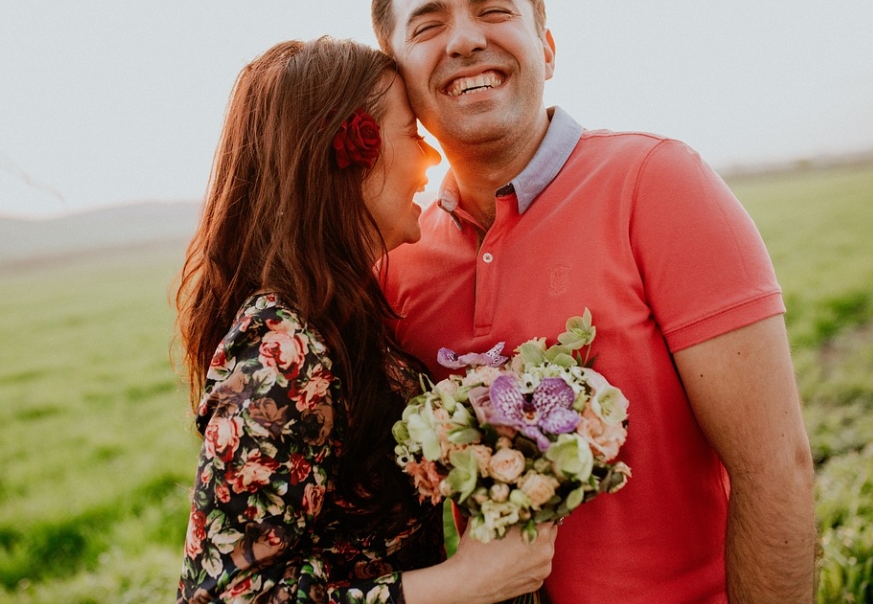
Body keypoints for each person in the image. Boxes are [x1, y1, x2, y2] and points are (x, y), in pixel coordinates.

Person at [370, 1, 817, 602]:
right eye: (428, 25)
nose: (465, 40)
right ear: (397, 76)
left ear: (547, 49)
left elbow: (774, 469)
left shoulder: (657, 181)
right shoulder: (398, 258)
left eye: (494, 9)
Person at [174, 36, 557, 604]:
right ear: (350, 152)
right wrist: (465, 582)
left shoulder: (339, 312)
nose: (430, 159)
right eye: (411, 133)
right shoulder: (285, 347)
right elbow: (226, 596)